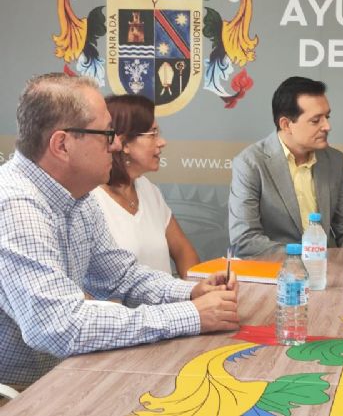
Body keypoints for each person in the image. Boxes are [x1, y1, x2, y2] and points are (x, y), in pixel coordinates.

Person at [0, 73, 239, 389]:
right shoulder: (14, 205)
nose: (115, 145)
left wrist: (191, 292)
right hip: (19, 394)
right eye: (106, 134)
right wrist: (190, 315)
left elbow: (121, 276)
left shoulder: (78, 196)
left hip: (64, 376)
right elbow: (59, 326)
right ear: (62, 145)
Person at [228, 76, 343, 257]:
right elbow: (245, 240)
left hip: (327, 266)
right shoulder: (250, 164)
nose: (327, 126)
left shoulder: (335, 160)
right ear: (286, 125)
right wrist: (306, 256)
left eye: (327, 117)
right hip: (276, 268)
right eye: (316, 120)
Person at [92, 95, 199, 278]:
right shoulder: (90, 200)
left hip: (168, 297)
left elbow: (183, 251)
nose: (162, 142)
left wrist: (195, 289)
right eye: (153, 134)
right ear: (124, 144)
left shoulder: (149, 190)